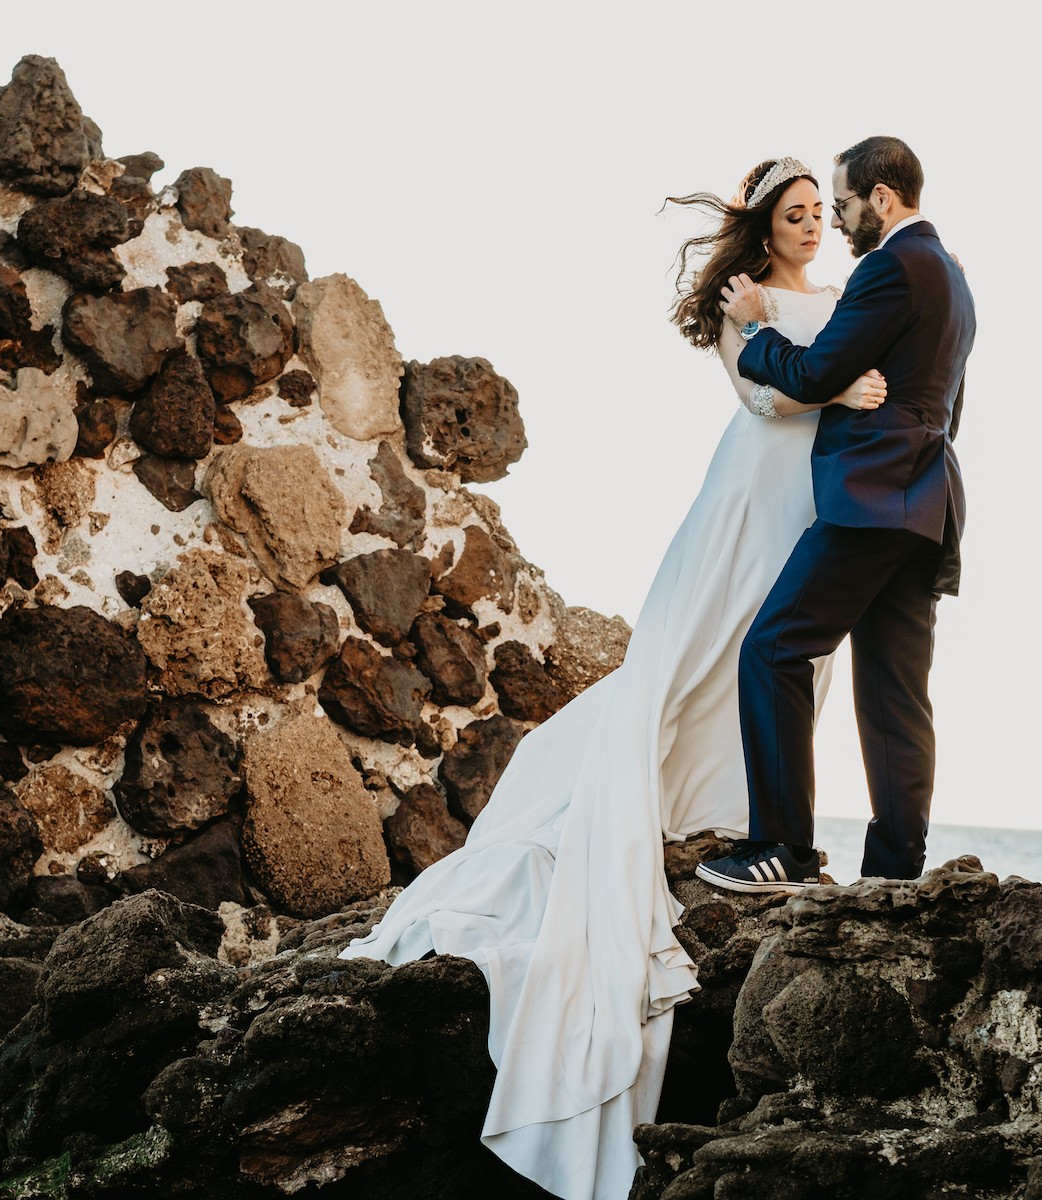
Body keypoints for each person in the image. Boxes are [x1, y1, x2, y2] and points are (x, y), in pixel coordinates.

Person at [340, 157, 885, 1200]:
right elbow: (763, 399)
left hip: (820, 498)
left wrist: (858, 382)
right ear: (762, 227)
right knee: (705, 644)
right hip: (757, 482)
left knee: (788, 655)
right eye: (795, 214)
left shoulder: (842, 297)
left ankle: (749, 809)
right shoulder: (751, 299)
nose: (813, 226)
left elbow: (870, 375)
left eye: (822, 213)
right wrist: (838, 380)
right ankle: (676, 795)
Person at [697, 136, 976, 896]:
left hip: (870, 499)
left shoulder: (891, 266)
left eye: (844, 204)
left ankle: (783, 848)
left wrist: (755, 329)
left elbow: (819, 372)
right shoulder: (954, 277)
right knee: (894, 693)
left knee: (775, 649)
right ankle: (893, 873)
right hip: (926, 503)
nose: (840, 222)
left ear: (880, 200)